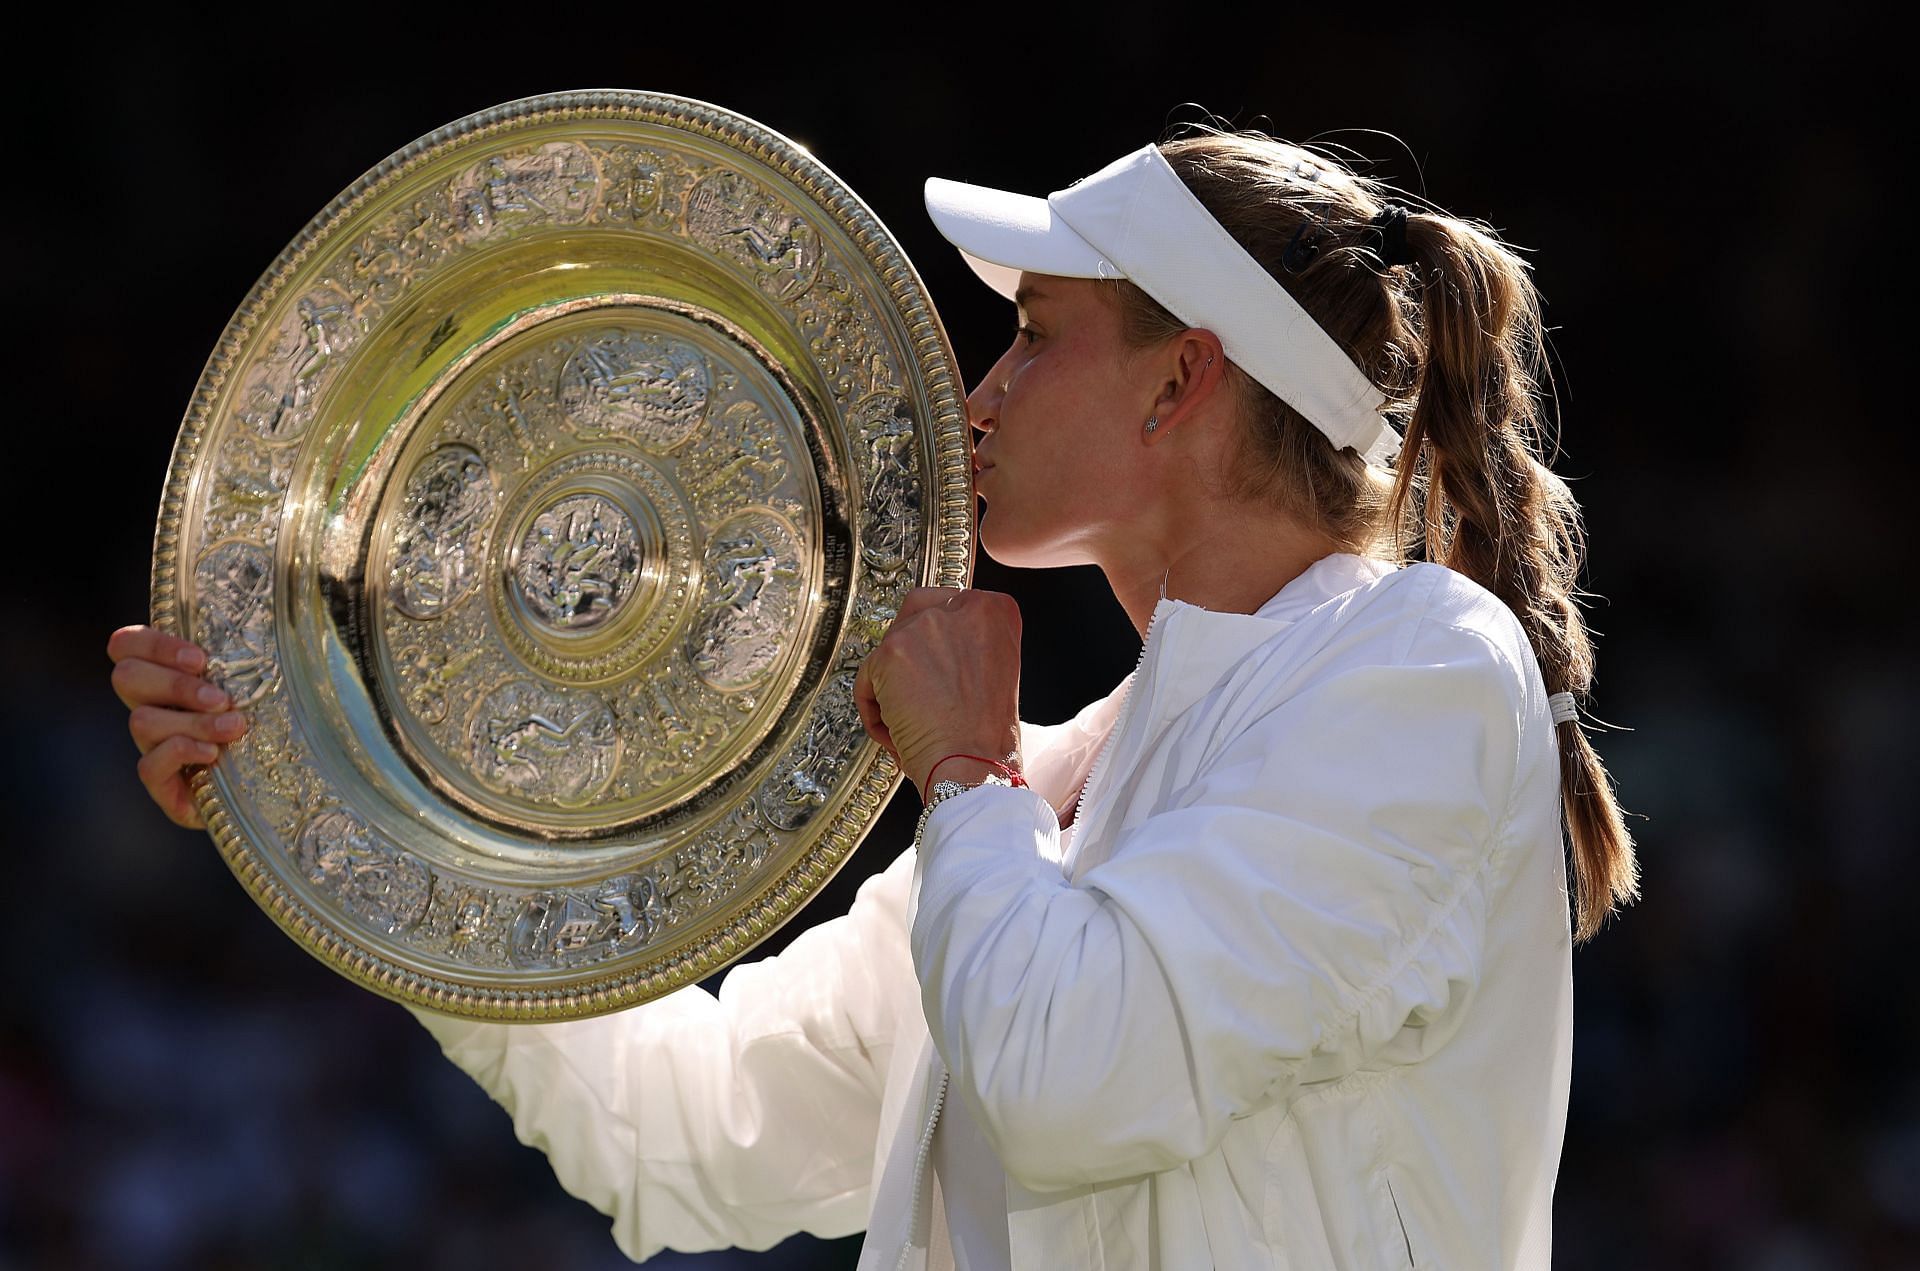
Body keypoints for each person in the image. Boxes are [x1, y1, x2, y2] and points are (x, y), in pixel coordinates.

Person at [109, 128, 1639, 1269]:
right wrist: (366, 807)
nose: (978, 395)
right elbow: (686, 1137)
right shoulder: (1067, 787)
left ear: (1185, 383)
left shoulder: (1421, 665)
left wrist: (968, 771)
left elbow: (1074, 1082)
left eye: (1035, 339)